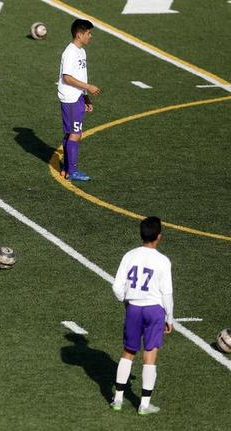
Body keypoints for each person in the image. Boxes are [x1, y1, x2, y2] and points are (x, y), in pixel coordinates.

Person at [110, 216, 174, 415]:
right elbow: (167, 293)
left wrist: (126, 301)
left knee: (128, 352)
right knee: (150, 355)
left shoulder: (129, 255)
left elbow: (117, 286)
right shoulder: (163, 260)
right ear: (159, 237)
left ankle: (118, 400)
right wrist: (169, 318)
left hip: (134, 309)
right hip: (155, 310)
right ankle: (144, 405)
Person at [58, 18, 101, 181]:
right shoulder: (70, 53)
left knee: (72, 133)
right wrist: (88, 87)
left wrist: (86, 98)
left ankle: (66, 169)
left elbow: (79, 76)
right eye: (88, 33)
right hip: (70, 97)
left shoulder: (81, 51)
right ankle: (72, 171)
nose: (90, 36)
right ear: (79, 34)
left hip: (77, 97)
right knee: (75, 134)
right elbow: (67, 77)